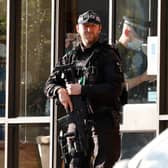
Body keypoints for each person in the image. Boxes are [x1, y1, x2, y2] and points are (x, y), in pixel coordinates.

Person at [44, 10, 124, 168]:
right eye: (85, 26)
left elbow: (115, 89)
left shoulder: (107, 55)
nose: (89, 29)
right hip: (77, 122)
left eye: (93, 26)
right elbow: (49, 84)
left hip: (103, 121)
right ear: (77, 28)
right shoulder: (70, 57)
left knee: (105, 164)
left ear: (99, 28)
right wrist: (59, 91)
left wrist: (83, 90)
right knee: (75, 164)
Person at [117, 16, 155, 103]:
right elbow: (116, 87)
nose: (141, 40)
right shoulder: (111, 55)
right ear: (126, 32)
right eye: (138, 36)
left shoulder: (139, 54)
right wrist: (142, 78)